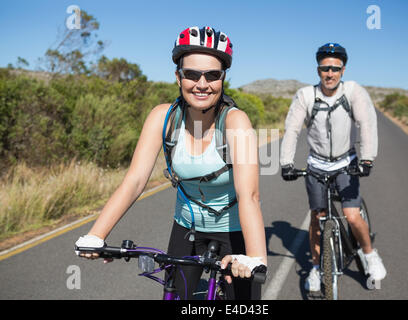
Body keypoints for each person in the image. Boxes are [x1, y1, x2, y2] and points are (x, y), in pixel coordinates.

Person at [75, 26, 267, 300]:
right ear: (178, 77)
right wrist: (96, 234)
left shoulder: (236, 122)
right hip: (186, 228)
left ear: (223, 78)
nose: (202, 84)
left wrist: (256, 256)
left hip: (234, 230)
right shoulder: (163, 118)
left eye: (212, 75)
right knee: (174, 296)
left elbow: (249, 195)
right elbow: (135, 180)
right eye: (191, 74)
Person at [280, 43, 386, 292]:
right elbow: (292, 130)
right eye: (325, 68)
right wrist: (286, 163)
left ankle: (369, 254)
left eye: (335, 69)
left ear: (343, 70)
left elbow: (367, 124)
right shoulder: (305, 95)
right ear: (318, 70)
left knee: (351, 215)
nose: (330, 73)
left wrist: (367, 158)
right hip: (316, 164)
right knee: (317, 217)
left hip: (345, 163)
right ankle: (317, 269)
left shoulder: (353, 92)